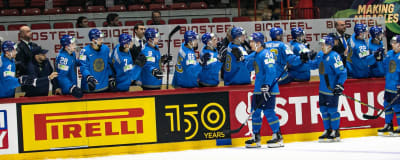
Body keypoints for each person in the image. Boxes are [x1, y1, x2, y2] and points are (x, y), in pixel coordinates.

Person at [244, 32, 283, 148]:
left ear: (259, 43)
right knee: (255, 112)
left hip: (268, 88)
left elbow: (271, 71)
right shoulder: (256, 54)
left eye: (252, 42)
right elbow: (249, 67)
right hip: (258, 88)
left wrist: (267, 85)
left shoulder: (267, 54)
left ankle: (278, 136)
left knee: (269, 112)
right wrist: (244, 59)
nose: (250, 44)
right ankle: (256, 137)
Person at [308, 36, 347, 142]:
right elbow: (313, 66)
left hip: (331, 89)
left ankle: (336, 131)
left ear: (330, 46)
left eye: (324, 45)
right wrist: (308, 59)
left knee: (332, 111)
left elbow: (342, 72)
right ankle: (327, 130)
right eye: (321, 45)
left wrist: (339, 85)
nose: (322, 47)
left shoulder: (335, 57)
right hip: (322, 89)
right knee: (324, 110)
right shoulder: (320, 55)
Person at [376, 35, 400, 136]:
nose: (392, 45)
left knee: (398, 107)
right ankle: (388, 125)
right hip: (389, 86)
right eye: (392, 42)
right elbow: (384, 68)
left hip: (397, 87)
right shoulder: (389, 54)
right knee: (387, 105)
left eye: (395, 43)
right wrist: (379, 58)